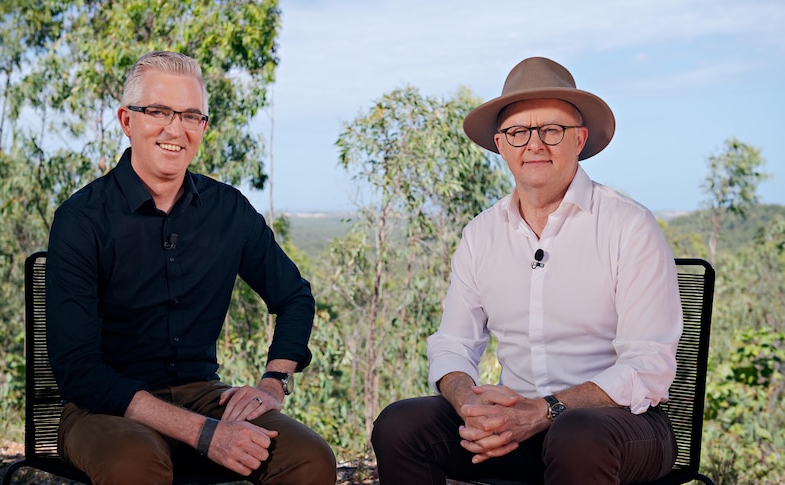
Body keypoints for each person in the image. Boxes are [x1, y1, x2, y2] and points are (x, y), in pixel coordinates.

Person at [371, 56, 682, 485]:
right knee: (401, 425)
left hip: (621, 427)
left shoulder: (628, 225)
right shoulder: (481, 234)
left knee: (576, 433)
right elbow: (454, 343)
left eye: (551, 130)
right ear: (501, 144)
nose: (534, 144)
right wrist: (469, 405)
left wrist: (546, 410)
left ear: (580, 139)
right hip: (517, 429)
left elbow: (648, 365)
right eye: (518, 132)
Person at [45, 51, 336, 485]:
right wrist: (206, 435)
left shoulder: (228, 211)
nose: (174, 129)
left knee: (310, 458)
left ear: (203, 127)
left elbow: (294, 297)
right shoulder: (82, 219)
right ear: (127, 121)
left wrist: (273, 381)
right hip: (103, 409)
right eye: (158, 111)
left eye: (190, 116)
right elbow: (80, 373)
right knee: (135, 466)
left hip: (202, 396)